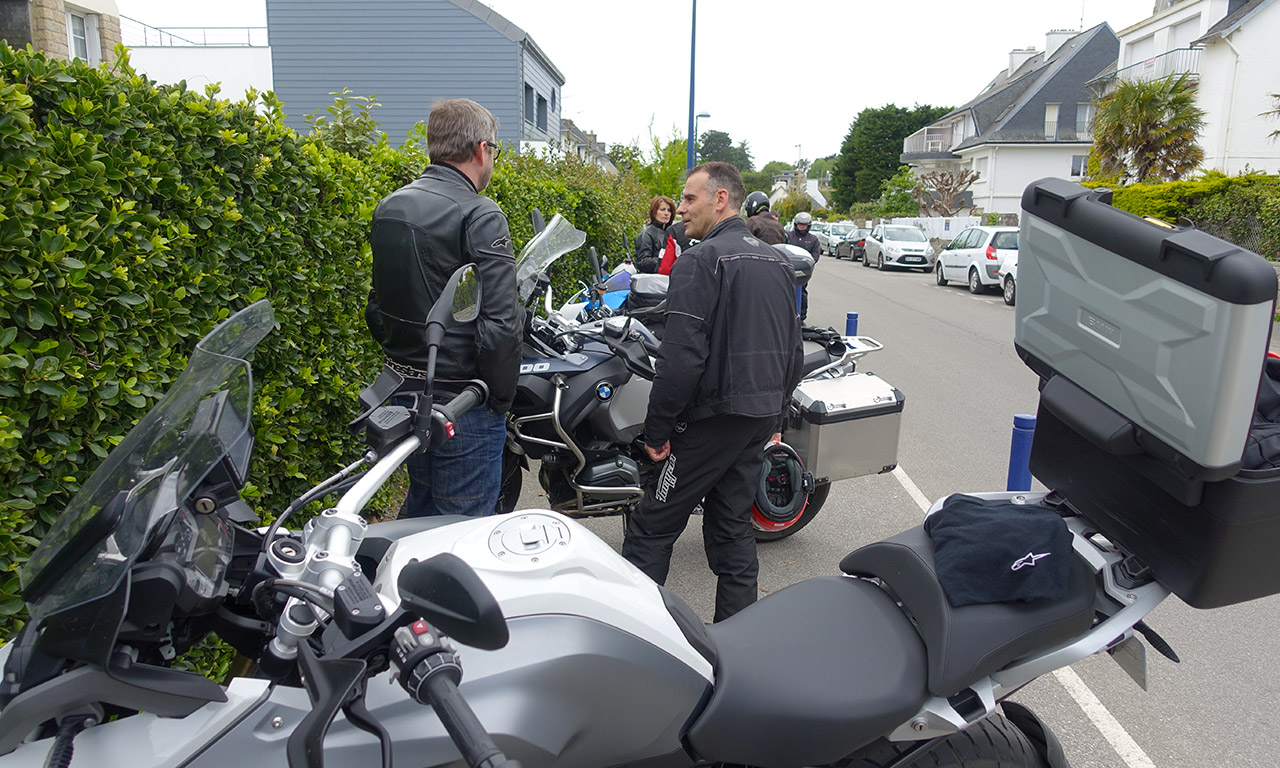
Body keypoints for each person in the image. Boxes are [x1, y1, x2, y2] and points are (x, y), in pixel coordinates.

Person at [622, 162, 804, 622]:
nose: (680, 208)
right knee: (731, 528)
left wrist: (657, 431)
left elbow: (681, 357)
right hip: (756, 419)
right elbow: (794, 351)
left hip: (709, 420)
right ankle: (740, 641)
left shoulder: (699, 261)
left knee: (651, 527)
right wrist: (775, 418)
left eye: (688, 198)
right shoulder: (778, 261)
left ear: (720, 199)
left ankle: (636, 636)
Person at [365, 98, 521, 519]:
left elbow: (377, 308)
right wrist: (498, 398)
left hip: (403, 391)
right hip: (461, 401)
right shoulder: (481, 213)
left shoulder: (391, 205)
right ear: (481, 150)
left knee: (419, 515)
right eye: (494, 152)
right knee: (459, 535)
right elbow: (502, 323)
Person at [787, 211, 821, 321]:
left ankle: (801, 316)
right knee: (786, 291)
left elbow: (815, 255)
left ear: (808, 226)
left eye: (804, 225)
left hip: (803, 271)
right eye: (800, 224)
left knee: (801, 292)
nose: (802, 227)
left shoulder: (813, 239)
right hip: (787, 269)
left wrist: (806, 264)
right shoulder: (788, 236)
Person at [635, 195, 677, 273]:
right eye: (662, 210)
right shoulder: (646, 234)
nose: (666, 213)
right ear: (654, 212)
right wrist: (665, 261)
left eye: (669, 210)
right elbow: (642, 262)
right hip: (652, 280)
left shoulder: (672, 232)